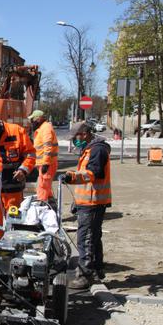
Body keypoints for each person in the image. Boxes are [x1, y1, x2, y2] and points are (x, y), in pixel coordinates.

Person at [63, 122, 112, 289]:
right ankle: (97, 269)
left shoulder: (97, 150)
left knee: (86, 239)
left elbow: (94, 173)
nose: (74, 142)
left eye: (75, 138)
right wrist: (77, 200)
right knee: (93, 237)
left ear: (84, 134)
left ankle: (85, 275)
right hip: (89, 201)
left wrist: (72, 177)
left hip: (93, 201)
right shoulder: (91, 149)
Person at [28, 110, 58, 206]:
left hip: (47, 164)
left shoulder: (46, 129)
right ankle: (52, 206)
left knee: (42, 187)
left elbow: (48, 147)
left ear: (38, 118)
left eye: (33, 119)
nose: (32, 122)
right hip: (45, 164)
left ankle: (41, 206)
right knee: (46, 188)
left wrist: (45, 163)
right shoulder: (43, 128)